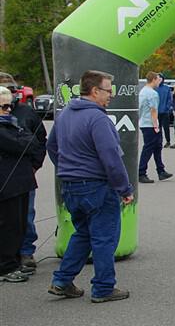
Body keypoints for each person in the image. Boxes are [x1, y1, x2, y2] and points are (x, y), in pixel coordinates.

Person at [46, 70, 133, 302]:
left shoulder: (64, 114)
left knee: (83, 233)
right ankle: (103, 287)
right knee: (104, 237)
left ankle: (62, 280)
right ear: (95, 91)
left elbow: (52, 147)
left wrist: (68, 169)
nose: (111, 95)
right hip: (97, 187)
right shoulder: (98, 118)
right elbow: (111, 157)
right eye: (108, 90)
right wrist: (124, 188)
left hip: (71, 185)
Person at [0, 86, 44, 282]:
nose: (8, 111)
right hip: (7, 183)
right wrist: (23, 137)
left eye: (10, 106)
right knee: (9, 225)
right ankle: (7, 266)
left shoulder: (18, 119)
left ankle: (17, 260)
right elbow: (22, 143)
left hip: (21, 181)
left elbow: (35, 140)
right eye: (3, 107)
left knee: (19, 224)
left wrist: (35, 162)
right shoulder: (5, 128)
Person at [10, 86, 47, 272]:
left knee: (25, 215)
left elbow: (41, 140)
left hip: (23, 174)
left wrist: (34, 165)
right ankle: (7, 256)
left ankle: (25, 252)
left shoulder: (26, 113)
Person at [138, 71, 172, 184]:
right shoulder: (152, 94)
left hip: (144, 122)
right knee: (148, 147)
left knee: (157, 146)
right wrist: (156, 125)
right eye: (158, 79)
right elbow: (153, 110)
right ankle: (141, 172)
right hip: (150, 124)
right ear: (153, 80)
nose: (160, 81)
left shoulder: (143, 91)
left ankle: (161, 170)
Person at [155, 73, 173, 147]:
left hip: (165, 112)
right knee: (158, 128)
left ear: (162, 79)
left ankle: (168, 141)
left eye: (160, 78)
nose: (159, 80)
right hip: (156, 112)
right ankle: (159, 141)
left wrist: (167, 107)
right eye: (157, 79)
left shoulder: (166, 88)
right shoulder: (154, 88)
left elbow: (170, 99)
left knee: (166, 127)